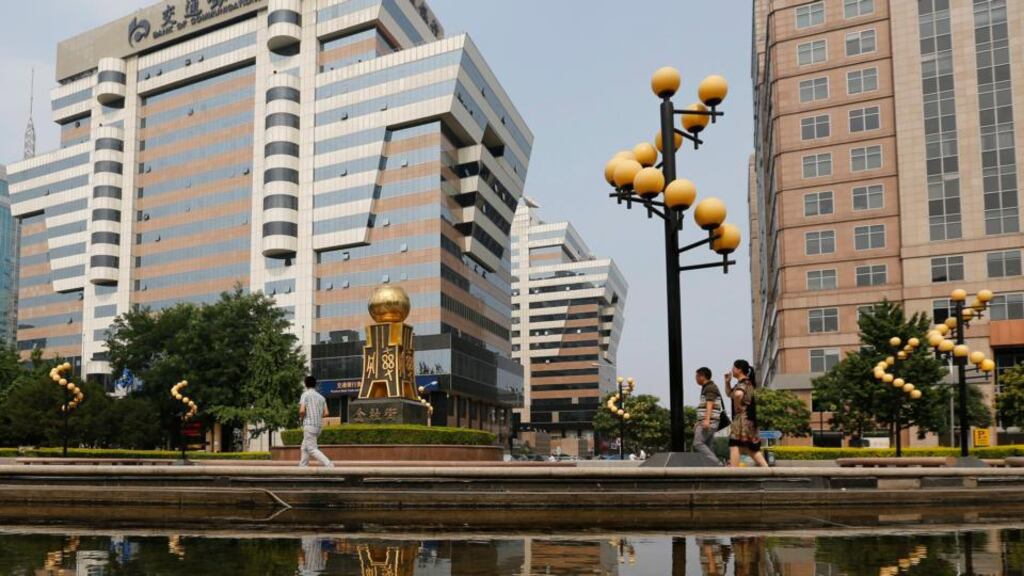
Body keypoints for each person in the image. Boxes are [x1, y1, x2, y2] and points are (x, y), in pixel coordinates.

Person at [724, 359, 769, 468]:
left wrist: (737, 405)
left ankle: (733, 474)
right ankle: (768, 471)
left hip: (742, 420)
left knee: (735, 445)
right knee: (750, 448)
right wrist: (727, 382)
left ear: (739, 370)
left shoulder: (744, 382)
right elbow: (730, 394)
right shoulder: (746, 383)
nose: (732, 370)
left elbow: (738, 395)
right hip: (749, 420)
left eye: (734, 368)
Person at [298, 375, 333, 468]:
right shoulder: (321, 397)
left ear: (305, 384)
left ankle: (329, 464)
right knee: (304, 447)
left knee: (311, 449)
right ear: (315, 385)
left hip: (309, 425)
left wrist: (301, 418)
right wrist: (317, 414)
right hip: (318, 426)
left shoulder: (305, 395)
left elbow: (302, 411)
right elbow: (326, 413)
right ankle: (302, 467)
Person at [693, 367, 725, 465]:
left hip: (709, 421)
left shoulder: (710, 387)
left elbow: (709, 404)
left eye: (697, 376)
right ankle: (714, 468)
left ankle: (717, 464)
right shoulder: (707, 387)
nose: (696, 379)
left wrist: (706, 420)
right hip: (710, 421)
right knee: (708, 446)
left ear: (702, 376)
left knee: (698, 443)